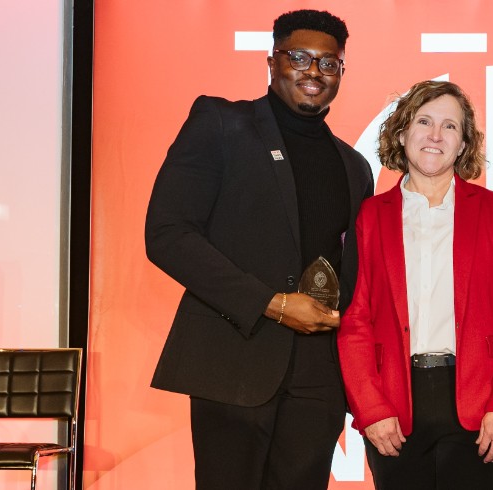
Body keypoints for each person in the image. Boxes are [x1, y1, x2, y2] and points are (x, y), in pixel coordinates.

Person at [143, 10, 374, 490]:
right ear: (272, 62)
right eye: (299, 58)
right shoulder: (222, 124)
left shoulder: (353, 166)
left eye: (328, 63)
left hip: (319, 377)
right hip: (233, 360)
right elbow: (168, 234)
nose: (314, 72)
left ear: (341, 73)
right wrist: (273, 304)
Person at [337, 80, 493, 490]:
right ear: (403, 132)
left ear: (463, 144)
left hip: (480, 405)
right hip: (394, 404)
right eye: (424, 121)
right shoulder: (371, 217)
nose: (435, 135)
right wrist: (370, 407)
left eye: (450, 126)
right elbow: (355, 320)